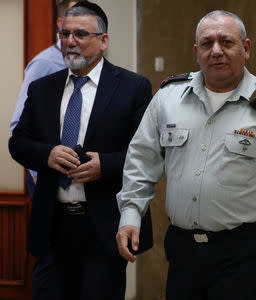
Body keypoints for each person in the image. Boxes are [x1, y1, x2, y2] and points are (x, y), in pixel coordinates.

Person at [115, 10, 256, 300]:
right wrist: (130, 214)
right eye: (207, 43)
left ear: (246, 48)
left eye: (226, 42)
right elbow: (140, 162)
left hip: (242, 251)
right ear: (196, 51)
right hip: (183, 249)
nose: (216, 51)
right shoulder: (168, 99)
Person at [9, 2, 153, 299]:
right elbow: (18, 142)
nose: (70, 41)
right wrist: (47, 154)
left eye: (80, 34)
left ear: (103, 41)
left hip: (103, 226)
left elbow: (149, 153)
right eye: (65, 34)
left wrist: (107, 165)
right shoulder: (43, 89)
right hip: (52, 226)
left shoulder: (132, 87)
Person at [10, 0, 84, 197]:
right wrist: (36, 171)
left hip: (84, 180)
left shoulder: (88, 64)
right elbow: (19, 124)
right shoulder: (45, 63)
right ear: (61, 24)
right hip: (47, 175)